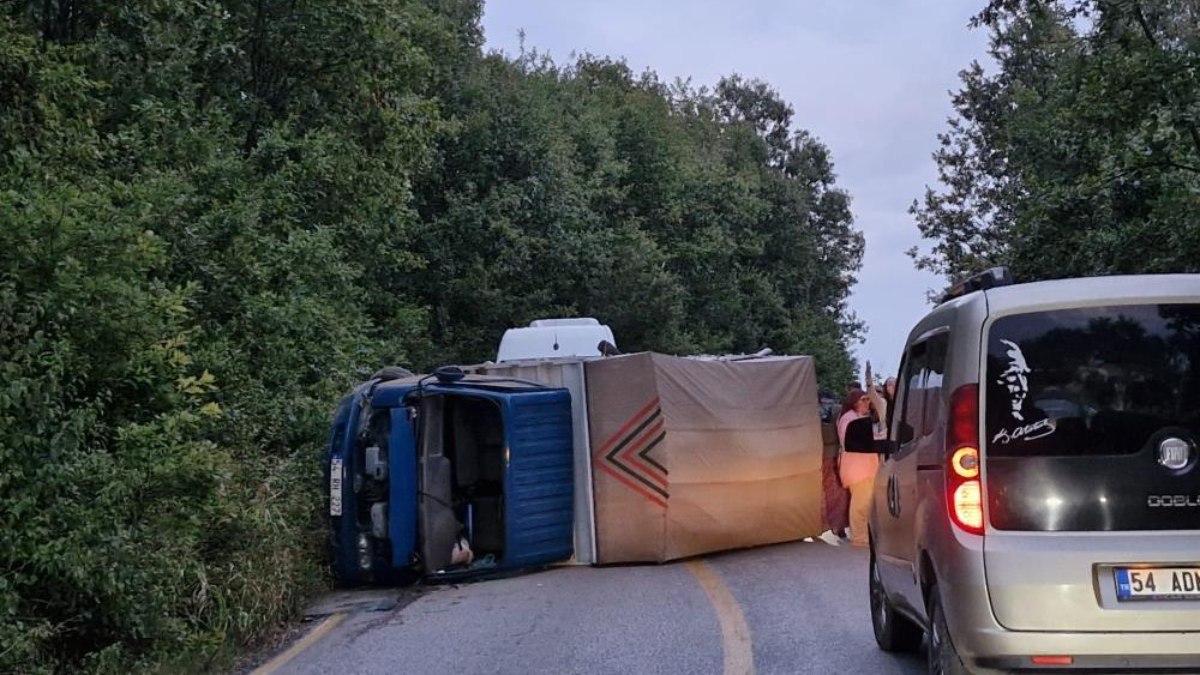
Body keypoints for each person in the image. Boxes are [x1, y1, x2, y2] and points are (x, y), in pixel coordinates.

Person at [837, 388, 880, 547]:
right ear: (854, 402)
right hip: (857, 468)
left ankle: (863, 535)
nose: (867, 403)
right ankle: (859, 537)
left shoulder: (857, 417)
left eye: (868, 399)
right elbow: (855, 441)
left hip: (864, 467)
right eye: (864, 399)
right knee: (860, 504)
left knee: (865, 503)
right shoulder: (849, 419)